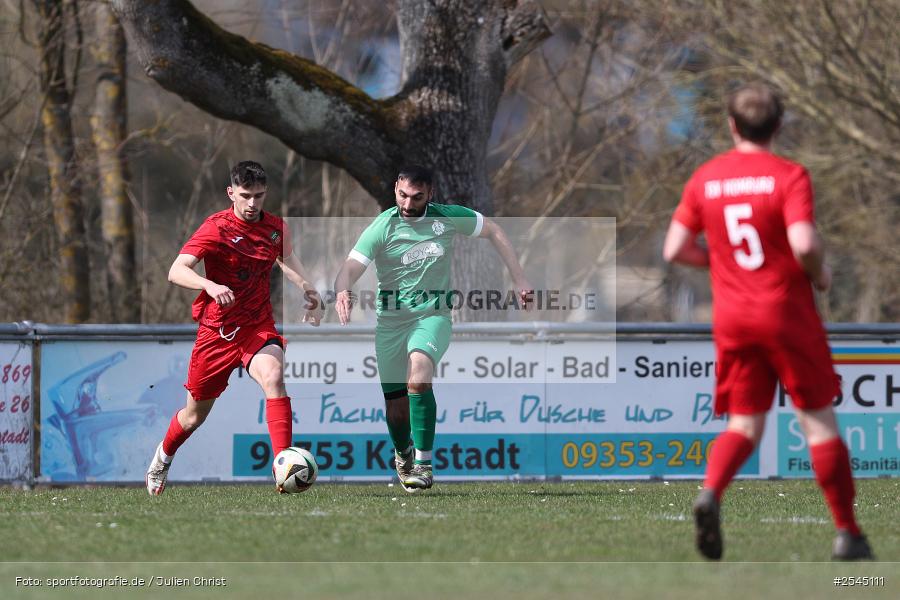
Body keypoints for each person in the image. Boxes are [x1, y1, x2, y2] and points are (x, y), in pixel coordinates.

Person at [663, 83, 872, 560]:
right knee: (819, 423)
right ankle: (848, 535)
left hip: (733, 318)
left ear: (732, 126)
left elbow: (674, 249)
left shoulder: (706, 178)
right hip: (785, 314)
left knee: (744, 424)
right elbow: (804, 243)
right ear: (779, 125)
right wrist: (820, 274)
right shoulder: (788, 175)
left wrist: (722, 264)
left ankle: (711, 492)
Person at [333, 165, 532, 492]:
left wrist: (519, 277)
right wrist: (343, 290)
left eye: (417, 197)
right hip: (391, 324)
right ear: (396, 188)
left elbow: (494, 230)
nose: (409, 204)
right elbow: (349, 268)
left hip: (433, 315)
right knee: (396, 410)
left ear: (431, 194)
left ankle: (424, 464)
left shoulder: (447, 218)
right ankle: (403, 453)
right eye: (403, 195)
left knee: (420, 375)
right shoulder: (382, 227)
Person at [145, 161, 323, 496]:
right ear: (231, 193)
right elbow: (176, 270)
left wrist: (309, 291)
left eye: (259, 195)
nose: (253, 203)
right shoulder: (216, 228)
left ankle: (282, 466)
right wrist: (209, 285)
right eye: (246, 195)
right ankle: (162, 458)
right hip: (216, 332)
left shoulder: (275, 228)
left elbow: (287, 259)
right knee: (193, 417)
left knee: (273, 375)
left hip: (256, 325)